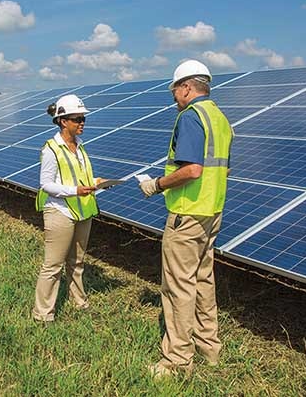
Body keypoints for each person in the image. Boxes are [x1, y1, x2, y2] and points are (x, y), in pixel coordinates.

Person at [138, 59, 233, 377]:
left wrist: (156, 185)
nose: (173, 97)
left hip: (187, 214)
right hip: (212, 211)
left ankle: (177, 361)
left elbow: (192, 170)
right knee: (203, 280)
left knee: (178, 286)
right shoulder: (219, 118)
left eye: (175, 90)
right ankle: (209, 348)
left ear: (187, 87)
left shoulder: (191, 117)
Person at [32, 94, 103, 322]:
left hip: (82, 211)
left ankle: (79, 302)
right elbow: (46, 183)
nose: (82, 123)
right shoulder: (51, 149)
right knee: (53, 265)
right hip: (60, 212)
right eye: (77, 119)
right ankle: (43, 314)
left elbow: (80, 175)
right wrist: (75, 191)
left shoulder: (80, 147)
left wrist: (96, 182)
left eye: (83, 119)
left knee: (77, 261)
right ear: (63, 121)